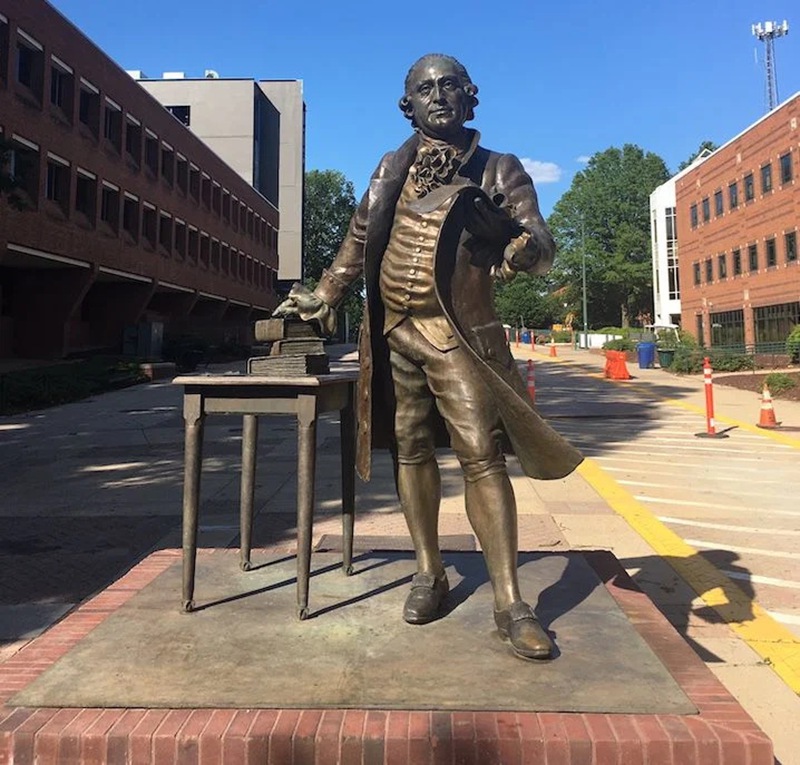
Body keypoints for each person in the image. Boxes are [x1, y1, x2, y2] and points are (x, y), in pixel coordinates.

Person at [275, 53, 582, 660]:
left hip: (458, 332)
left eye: (448, 87)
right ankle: (428, 571)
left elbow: (541, 242)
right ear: (407, 104)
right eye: (424, 89)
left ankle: (510, 601)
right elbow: (361, 235)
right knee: (409, 447)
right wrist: (325, 295)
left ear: (470, 97)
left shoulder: (499, 168)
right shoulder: (391, 165)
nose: (437, 96)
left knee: (480, 454)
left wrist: (523, 250)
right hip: (392, 333)